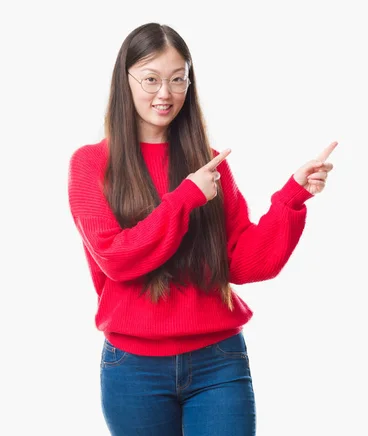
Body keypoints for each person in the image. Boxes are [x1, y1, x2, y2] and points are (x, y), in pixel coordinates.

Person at [67, 22, 337, 436]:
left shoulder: (208, 163)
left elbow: (245, 264)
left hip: (218, 361)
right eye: (151, 79)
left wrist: (291, 197)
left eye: (178, 80)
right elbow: (117, 259)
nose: (165, 93)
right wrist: (185, 197)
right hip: (133, 370)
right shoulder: (90, 164)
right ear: (125, 80)